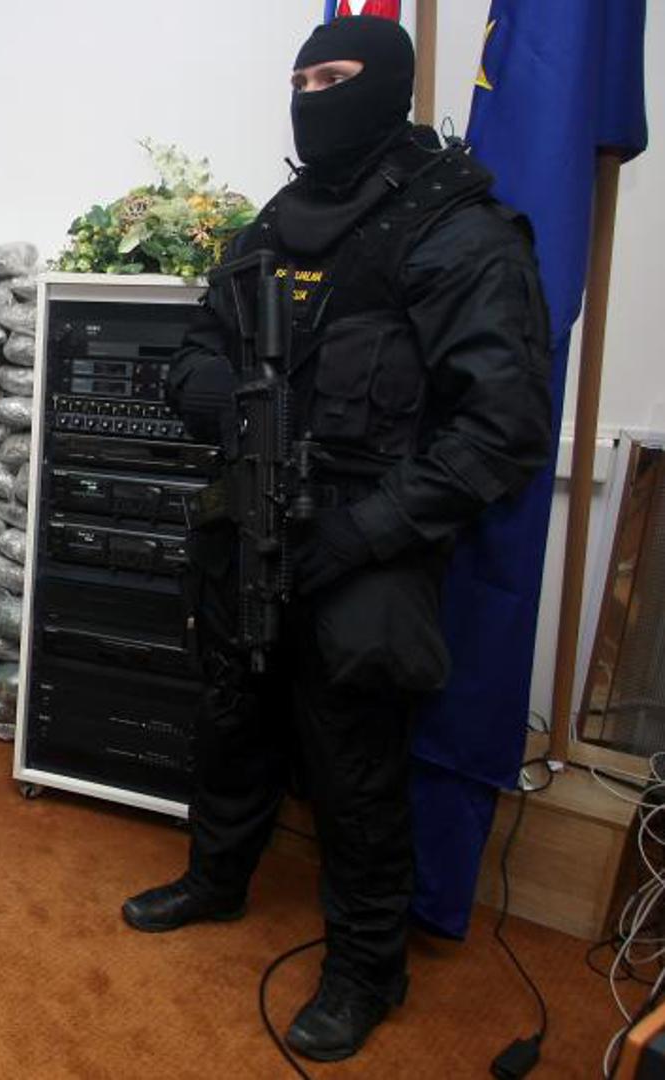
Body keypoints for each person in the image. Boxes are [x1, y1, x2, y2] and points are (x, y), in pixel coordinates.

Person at [120, 15, 553, 1063]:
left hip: (372, 540)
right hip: (248, 519)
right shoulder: (270, 227)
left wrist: (362, 532)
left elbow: (501, 429)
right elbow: (191, 357)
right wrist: (229, 402)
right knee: (232, 717)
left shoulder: (456, 230)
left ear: (391, 84)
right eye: (302, 79)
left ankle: (366, 968)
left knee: (356, 767)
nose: (315, 96)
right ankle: (219, 879)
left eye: (338, 76)